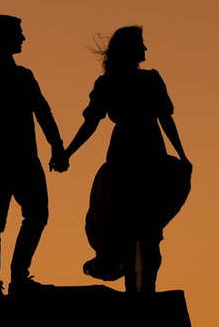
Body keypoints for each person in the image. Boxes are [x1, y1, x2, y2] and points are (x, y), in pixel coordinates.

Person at [63, 25, 191, 294]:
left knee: (147, 229)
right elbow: (91, 124)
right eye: (141, 44)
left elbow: (166, 119)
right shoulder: (113, 83)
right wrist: (68, 152)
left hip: (146, 155)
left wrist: (181, 154)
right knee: (137, 229)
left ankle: (145, 291)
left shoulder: (145, 80)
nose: (145, 49)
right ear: (129, 49)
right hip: (131, 157)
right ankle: (139, 293)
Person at [0, 15, 69, 296]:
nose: (23, 38)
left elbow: (43, 112)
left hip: (24, 159)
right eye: (18, 33)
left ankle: (17, 278)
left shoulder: (23, 76)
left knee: (36, 215)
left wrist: (57, 146)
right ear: (2, 36)